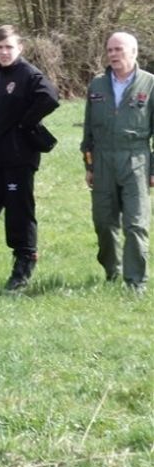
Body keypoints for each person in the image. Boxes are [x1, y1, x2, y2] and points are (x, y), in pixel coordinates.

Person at [0, 25, 59, 291]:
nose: (4, 52)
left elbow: (50, 97)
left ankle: (23, 267)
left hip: (18, 159)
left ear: (20, 49)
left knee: (19, 215)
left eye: (9, 48)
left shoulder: (28, 74)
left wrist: (25, 123)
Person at [81, 32, 154, 293]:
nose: (112, 54)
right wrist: (89, 165)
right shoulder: (97, 85)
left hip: (136, 158)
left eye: (118, 49)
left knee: (135, 224)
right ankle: (113, 270)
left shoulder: (150, 84)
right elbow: (88, 130)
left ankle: (135, 281)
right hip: (102, 160)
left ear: (134, 52)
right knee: (103, 222)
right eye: (110, 49)